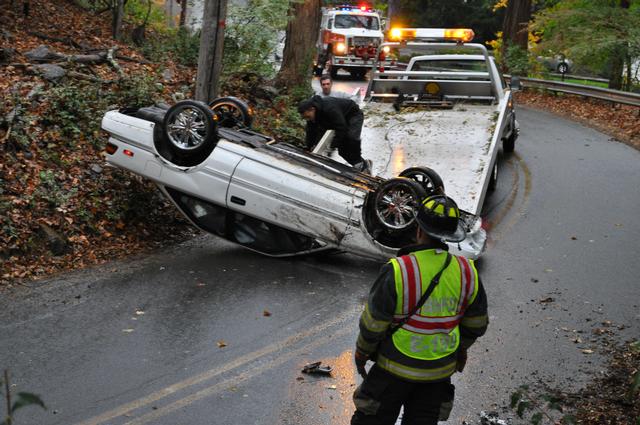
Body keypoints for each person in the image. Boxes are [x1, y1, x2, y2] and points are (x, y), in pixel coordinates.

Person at [351, 194, 489, 425]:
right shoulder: (467, 272)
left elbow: (374, 324)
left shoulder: (399, 269)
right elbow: (476, 324)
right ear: (452, 235)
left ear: (418, 230)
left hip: (391, 371)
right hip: (438, 375)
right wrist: (460, 348)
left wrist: (362, 351)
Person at [298, 95, 372, 174]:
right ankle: (363, 164)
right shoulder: (313, 114)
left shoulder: (329, 108)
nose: (308, 119)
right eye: (306, 118)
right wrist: (309, 147)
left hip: (353, 115)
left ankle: (360, 165)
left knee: (351, 137)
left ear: (312, 109)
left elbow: (341, 128)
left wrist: (332, 146)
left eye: (308, 117)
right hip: (340, 118)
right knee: (342, 151)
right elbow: (311, 131)